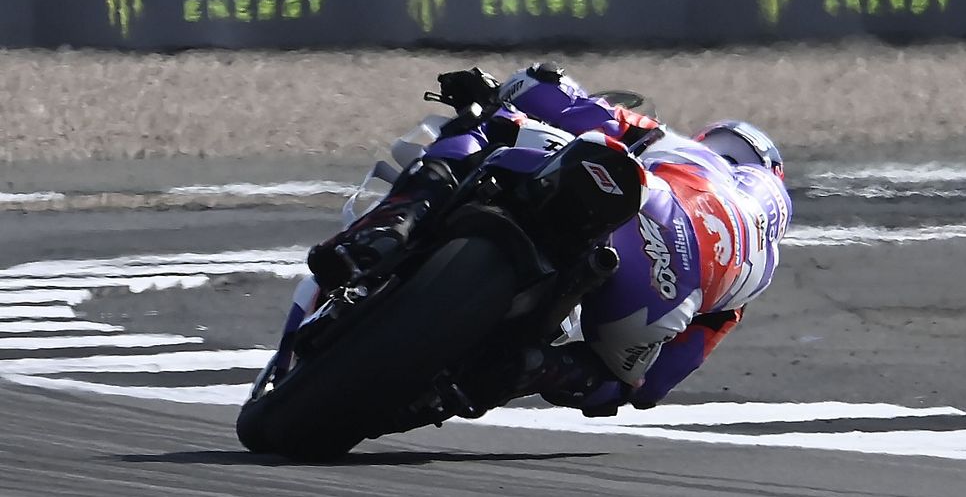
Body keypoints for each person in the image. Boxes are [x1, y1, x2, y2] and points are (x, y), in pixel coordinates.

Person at [277, 63, 792, 417]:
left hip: (647, 206)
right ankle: (525, 368)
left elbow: (551, 91)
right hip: (669, 297)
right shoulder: (749, 275)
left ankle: (392, 229)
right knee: (611, 378)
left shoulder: (669, 144)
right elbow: (650, 388)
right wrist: (563, 378)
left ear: (716, 144)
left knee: (487, 129)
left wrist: (489, 91)